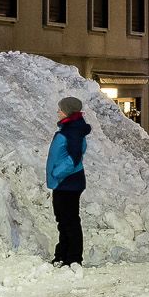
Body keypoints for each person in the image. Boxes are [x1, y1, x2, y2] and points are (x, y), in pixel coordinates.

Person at [45, 96, 90, 267]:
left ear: (68, 112)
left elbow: (73, 158)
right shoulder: (71, 129)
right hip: (65, 182)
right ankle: (63, 255)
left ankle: (73, 257)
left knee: (69, 220)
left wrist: (57, 173)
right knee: (64, 220)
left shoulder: (72, 132)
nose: (58, 111)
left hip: (67, 182)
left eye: (60, 109)